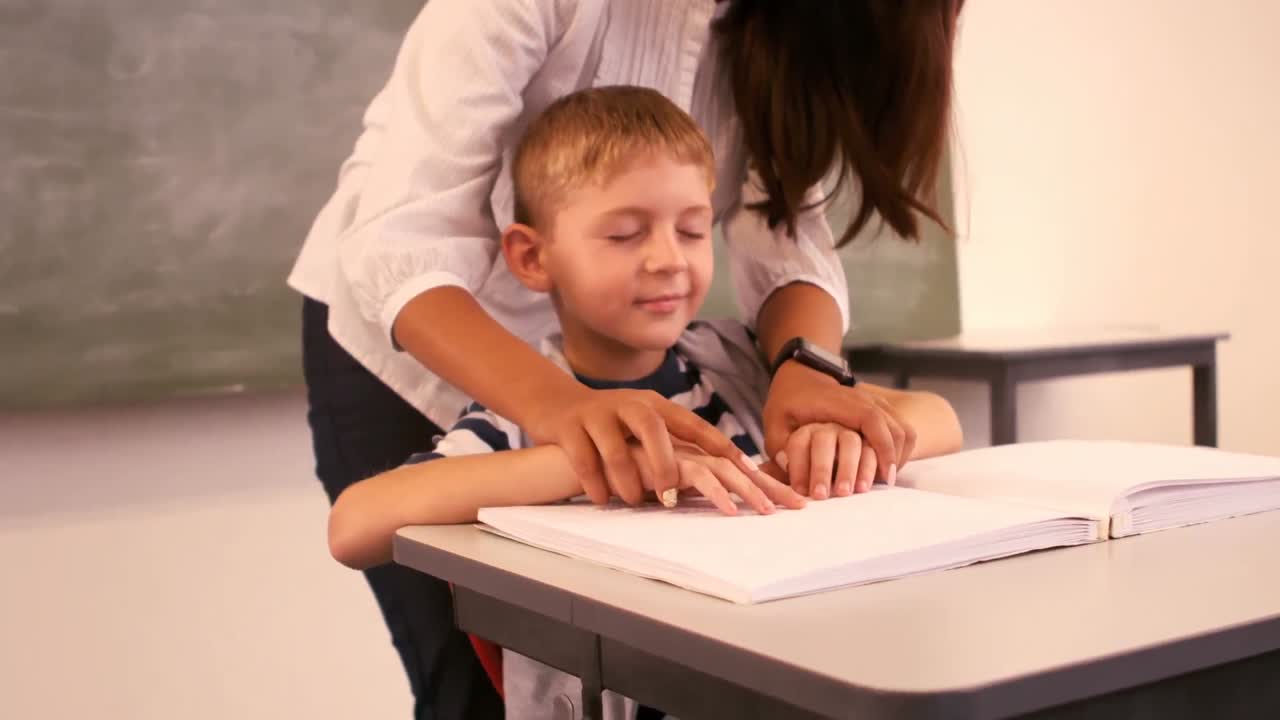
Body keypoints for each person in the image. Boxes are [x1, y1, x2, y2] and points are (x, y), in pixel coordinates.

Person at [290, 1, 964, 717]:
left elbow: (788, 231)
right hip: (420, 343)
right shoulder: (505, 435)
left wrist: (813, 371)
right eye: (625, 235)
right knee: (470, 692)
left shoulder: (726, 369)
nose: (667, 259)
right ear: (532, 255)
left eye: (692, 229)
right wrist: (580, 443)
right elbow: (403, 250)